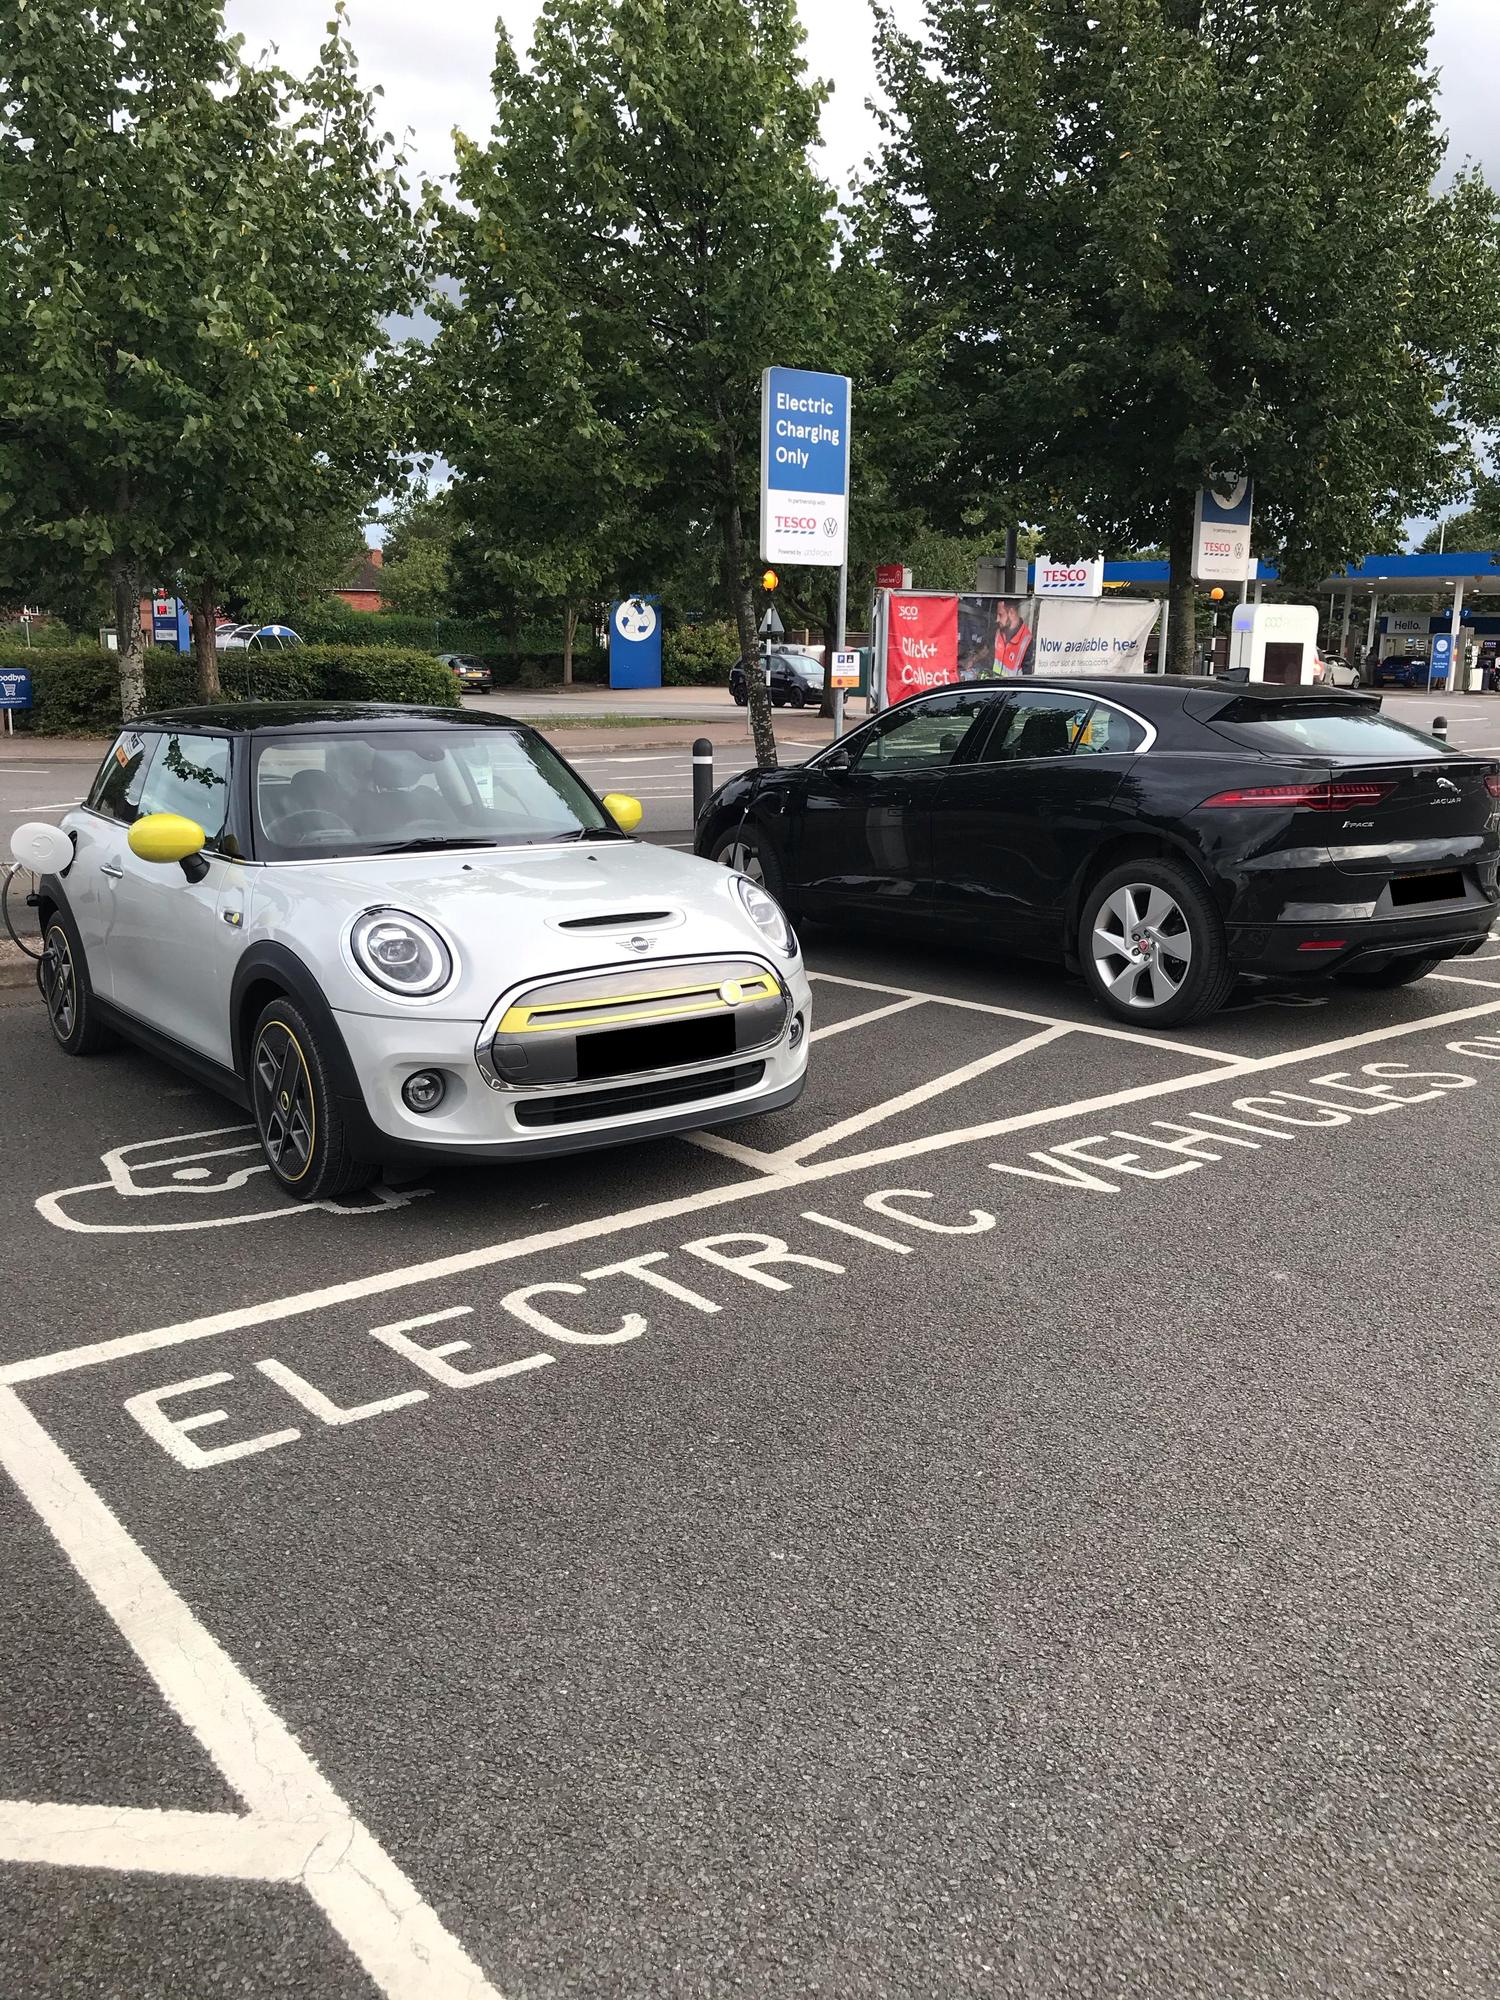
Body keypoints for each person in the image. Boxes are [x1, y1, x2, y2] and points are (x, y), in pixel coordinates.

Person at [993, 598, 1035, 676]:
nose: (997, 619)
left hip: (1012, 687)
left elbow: (1027, 675)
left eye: (1000, 615)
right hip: (994, 686)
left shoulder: (1026, 640)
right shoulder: (998, 632)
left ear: (1011, 612)